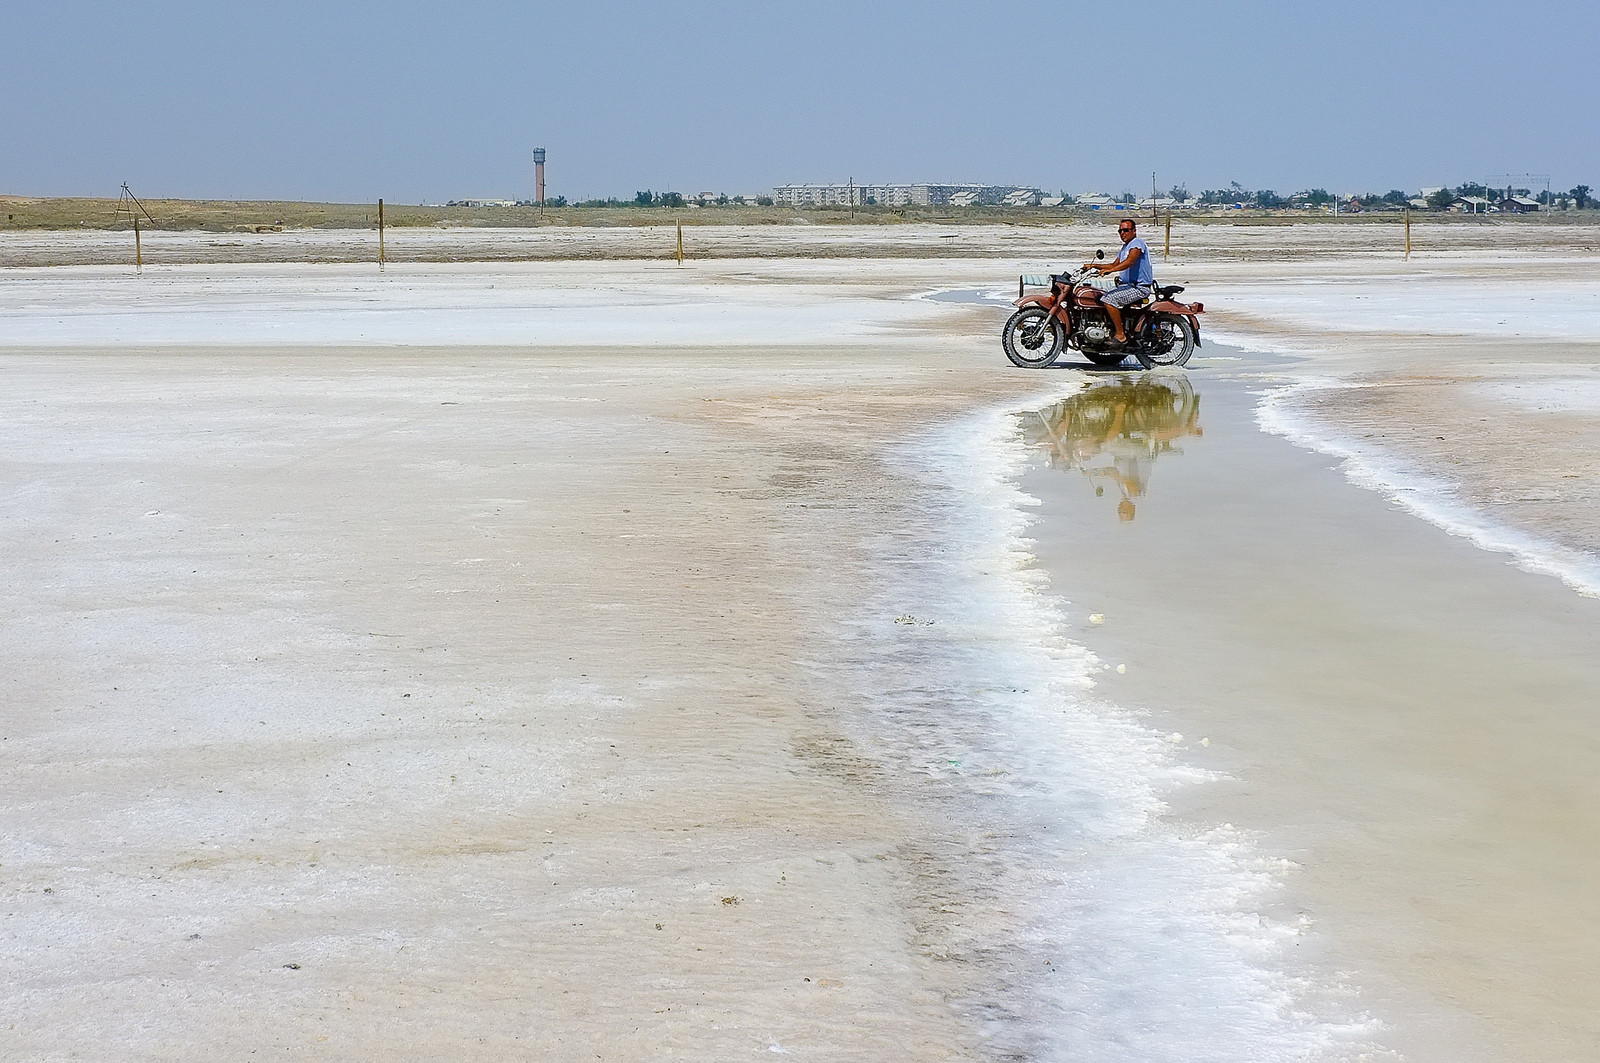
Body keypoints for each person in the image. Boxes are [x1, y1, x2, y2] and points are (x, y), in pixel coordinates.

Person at [1084, 219, 1154, 345]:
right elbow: (1114, 264)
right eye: (1120, 231)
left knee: (1109, 299)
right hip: (1127, 286)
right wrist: (1094, 266)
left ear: (1134, 231)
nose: (1123, 233)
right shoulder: (1125, 247)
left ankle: (1120, 335)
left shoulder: (1137, 243)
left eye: (1126, 230)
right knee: (1099, 295)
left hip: (1138, 288)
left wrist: (1111, 270)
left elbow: (1129, 262)